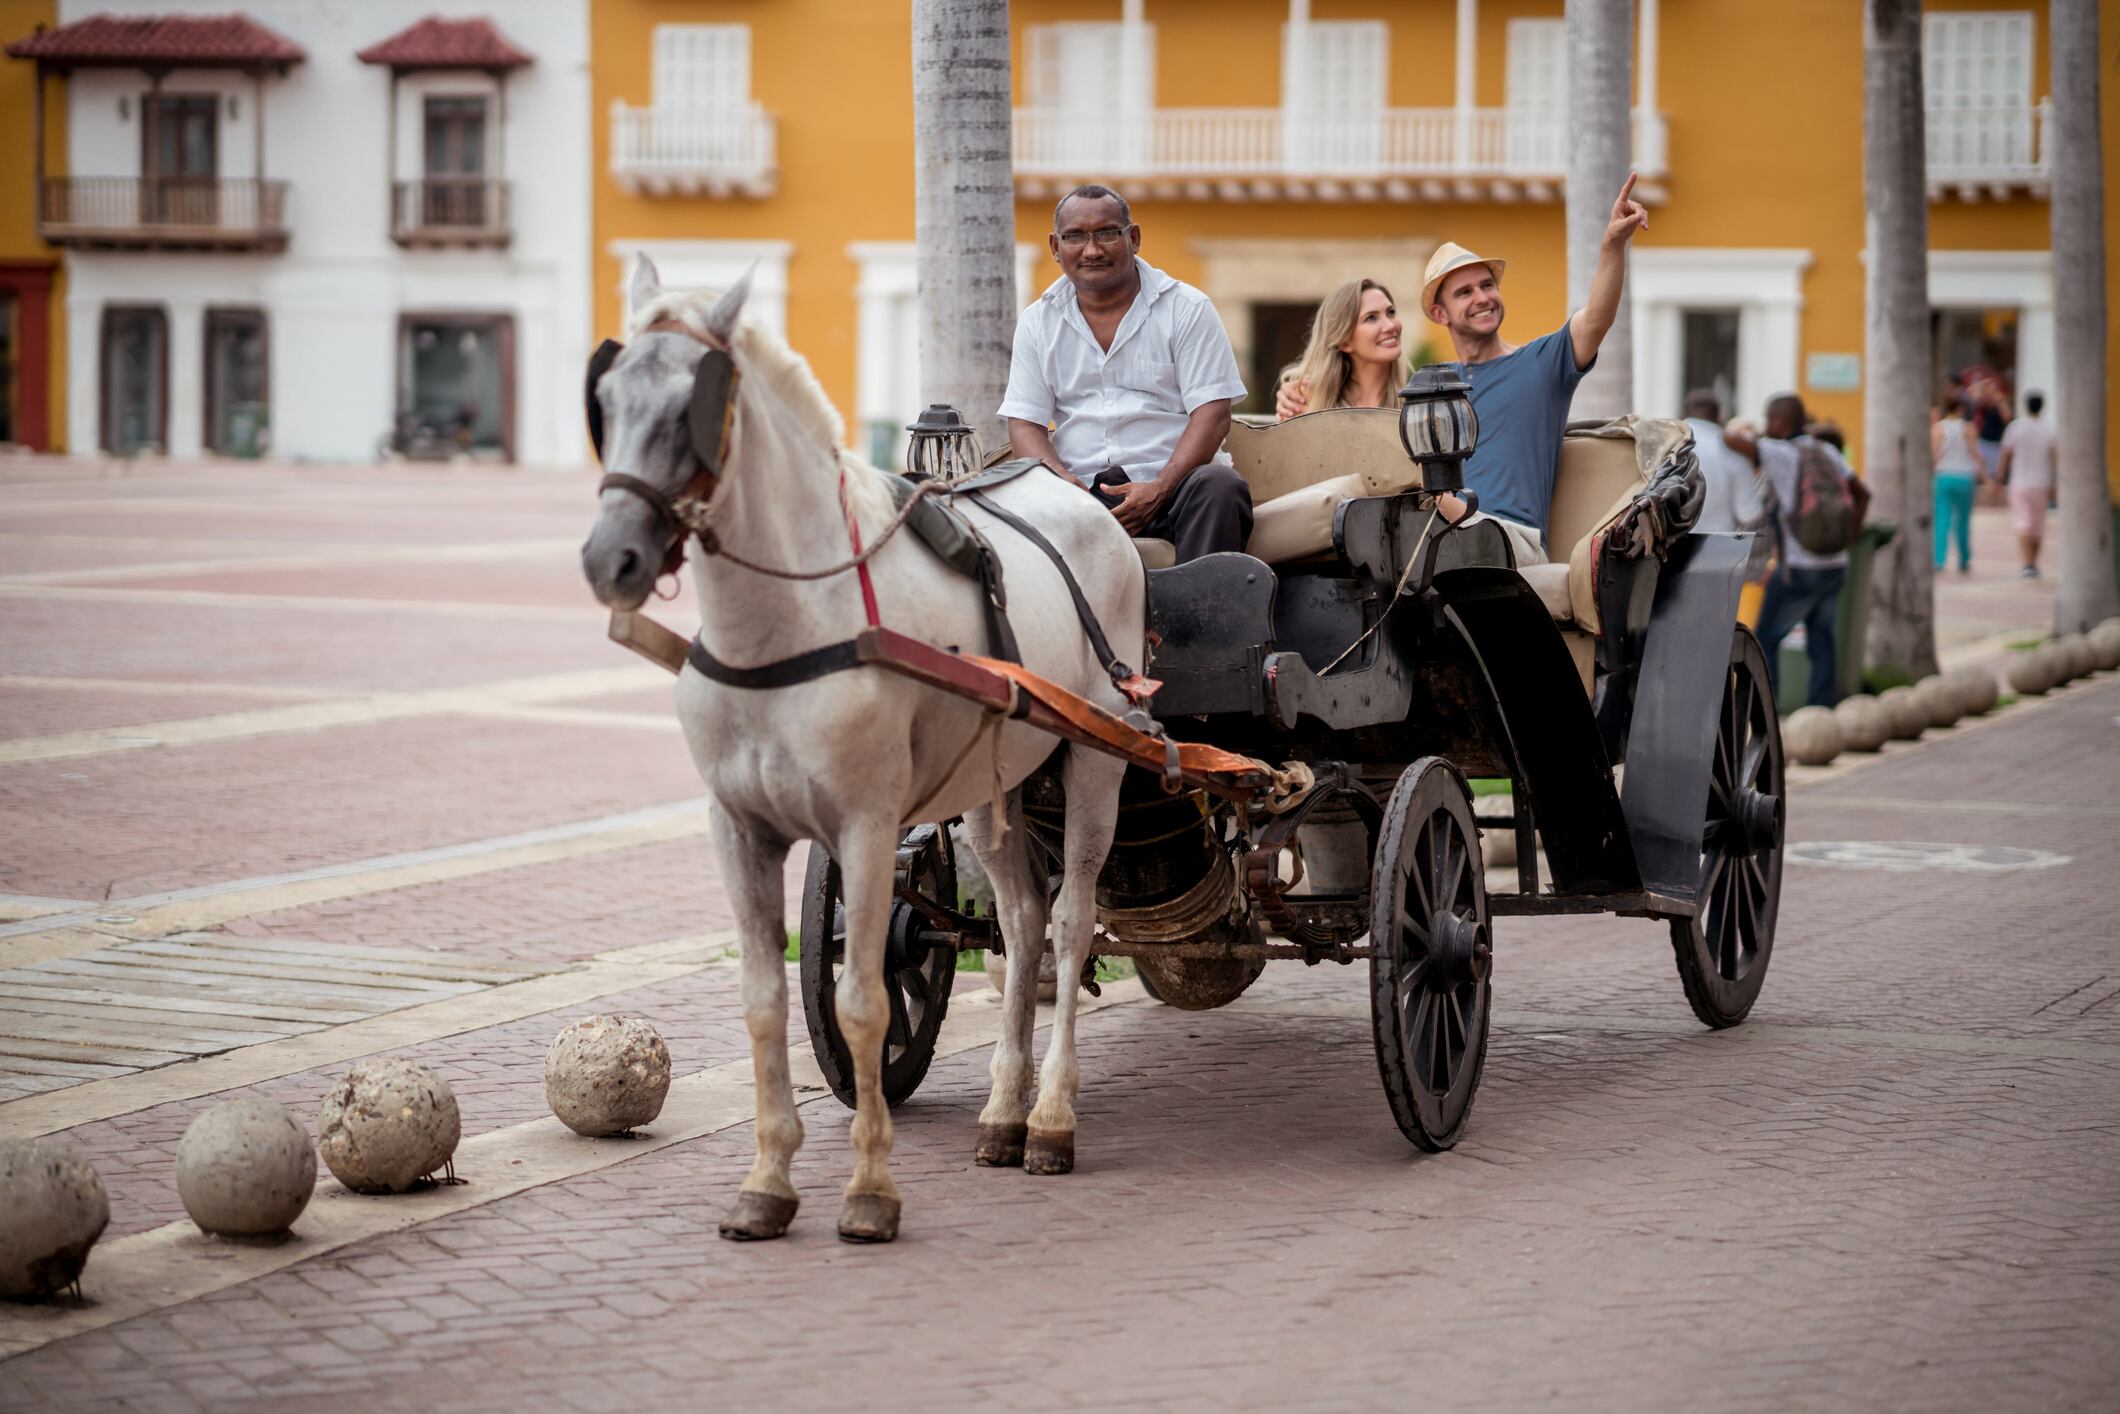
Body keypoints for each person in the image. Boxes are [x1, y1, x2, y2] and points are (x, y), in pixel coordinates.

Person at [1000, 184, 1251, 563]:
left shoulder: (1187, 309)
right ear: (1055, 247)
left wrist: (1160, 489)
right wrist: (1062, 484)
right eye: (1075, 237)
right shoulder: (1037, 322)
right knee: (1006, 507)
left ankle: (1196, 617)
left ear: (1133, 237)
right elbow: (1024, 425)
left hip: (1177, 488)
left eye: (1106, 233)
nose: (1092, 250)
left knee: (1221, 486)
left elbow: (1213, 416)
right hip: (1078, 492)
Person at [1413, 173, 1650, 567]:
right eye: (1465, 292)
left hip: (1511, 542)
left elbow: (1596, 319)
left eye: (1487, 285)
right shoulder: (1433, 386)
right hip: (1445, 539)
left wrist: (1613, 244)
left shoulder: (1541, 362)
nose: (1482, 297)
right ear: (1440, 314)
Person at [1729, 394, 1857, 708]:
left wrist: (1757, 435)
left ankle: (1767, 712)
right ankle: (1821, 710)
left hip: (1800, 566)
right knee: (1822, 639)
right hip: (1836, 562)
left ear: (1780, 422)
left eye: (1769, 419)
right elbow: (1862, 492)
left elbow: (1729, 437)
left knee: (1766, 639)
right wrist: (1848, 536)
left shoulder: (1779, 452)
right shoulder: (1825, 450)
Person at [1684, 389, 1776, 623]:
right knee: (1713, 621)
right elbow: (1748, 513)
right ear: (1719, 416)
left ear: (1686, 412)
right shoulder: (1732, 453)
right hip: (1717, 551)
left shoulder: (1669, 444)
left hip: (1672, 548)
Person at [1272, 278, 1412, 419]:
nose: (1390, 326)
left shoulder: (1416, 405)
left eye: (1391, 312)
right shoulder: (1307, 400)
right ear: (1344, 342)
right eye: (1371, 318)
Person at [1997, 390, 2058, 579]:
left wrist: (2000, 477)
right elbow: (2055, 459)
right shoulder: (2050, 429)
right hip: (2042, 483)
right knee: (2038, 524)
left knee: (2023, 522)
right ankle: (2033, 563)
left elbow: (2005, 454)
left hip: (2019, 482)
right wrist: (2055, 483)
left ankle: (2026, 564)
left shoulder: (2015, 428)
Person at [1932, 393, 1983, 574]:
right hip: (1964, 477)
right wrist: (1984, 475)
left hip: (1943, 475)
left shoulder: (1938, 429)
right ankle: (1964, 560)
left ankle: (1938, 559)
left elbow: (1935, 454)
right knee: (1963, 521)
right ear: (1960, 409)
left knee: (1941, 519)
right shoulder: (1968, 428)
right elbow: (1975, 453)